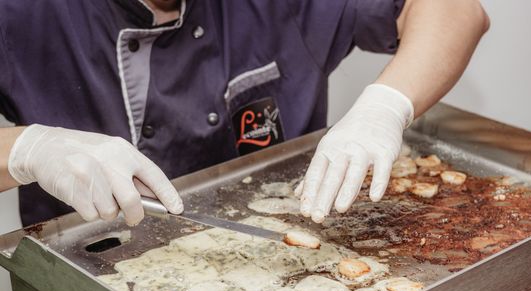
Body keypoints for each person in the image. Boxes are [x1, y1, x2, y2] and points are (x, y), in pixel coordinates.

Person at [0, 0, 489, 227]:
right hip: (98, 285)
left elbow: (456, 11)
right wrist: (29, 149)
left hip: (290, 259)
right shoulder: (22, 13)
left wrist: (385, 106)